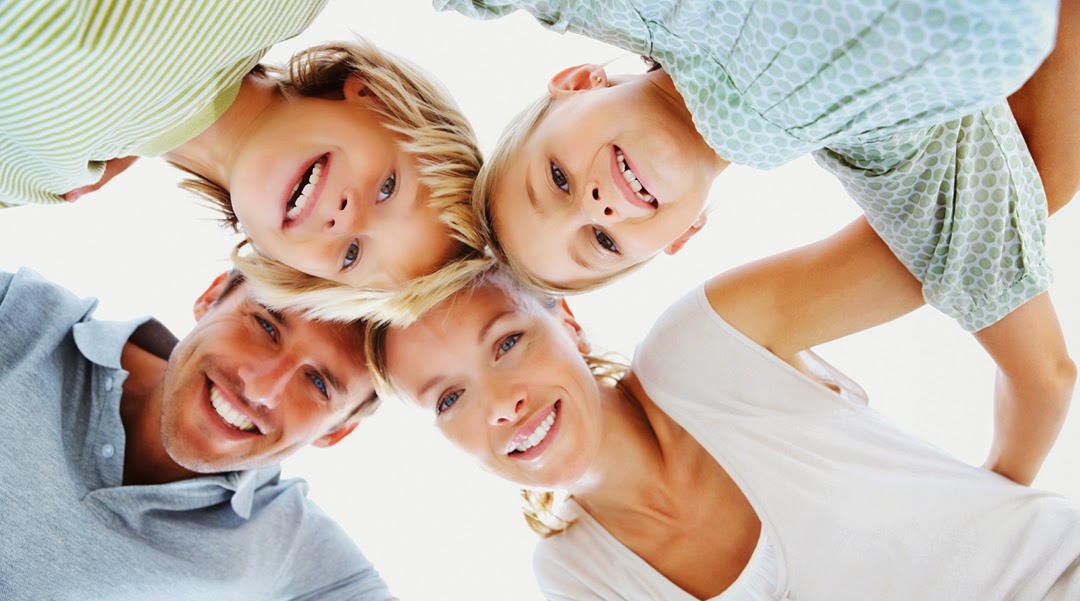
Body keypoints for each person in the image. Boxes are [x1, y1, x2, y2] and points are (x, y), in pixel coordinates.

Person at [434, 0, 1077, 485]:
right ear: (683, 236)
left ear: (577, 82)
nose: (596, 205)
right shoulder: (886, 154)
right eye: (601, 240)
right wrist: (995, 494)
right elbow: (1043, 376)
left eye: (556, 178)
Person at [368, 250, 1080, 601]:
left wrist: (996, 492)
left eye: (507, 343)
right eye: (449, 398)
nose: (500, 405)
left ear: (570, 323)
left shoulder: (705, 345)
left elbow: (953, 229)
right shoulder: (581, 576)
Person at [0, 2, 484, 321]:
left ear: (283, 266)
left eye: (352, 254)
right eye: (388, 188)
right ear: (374, 96)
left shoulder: (42, 178)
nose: (346, 219)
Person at [0, 266, 412, 601]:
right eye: (265, 325)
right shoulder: (17, 313)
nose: (260, 389)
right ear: (212, 296)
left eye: (318, 383)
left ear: (336, 432)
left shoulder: (283, 545)